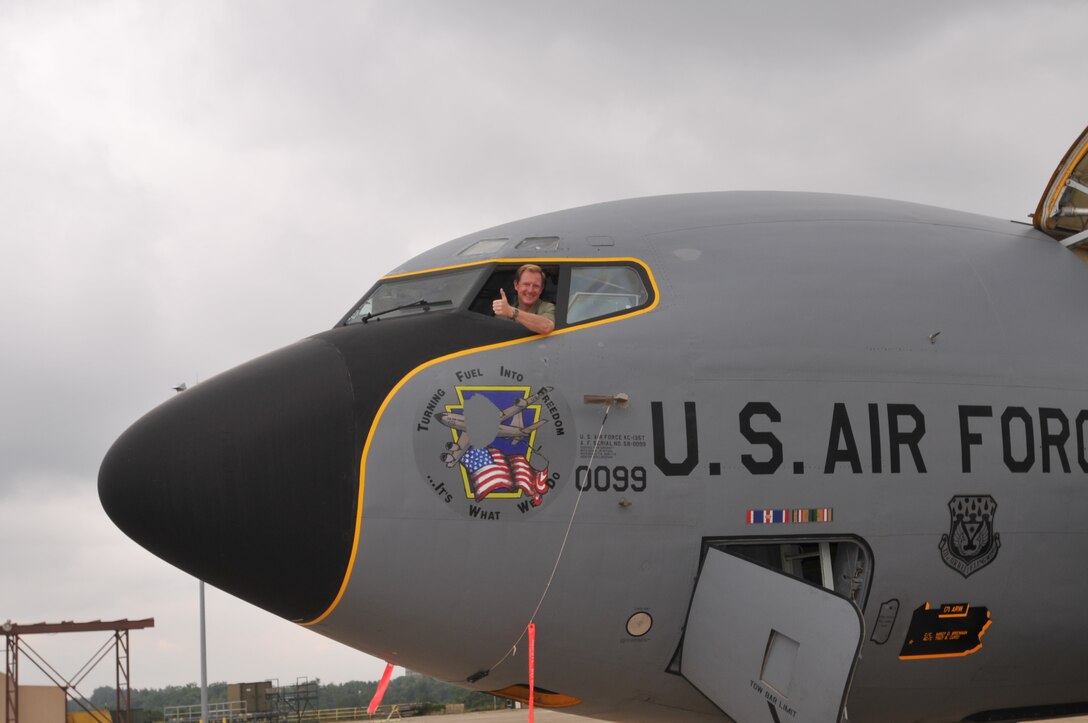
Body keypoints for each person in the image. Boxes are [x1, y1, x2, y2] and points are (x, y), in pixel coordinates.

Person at [492, 263, 555, 334]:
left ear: (541, 289)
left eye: (536, 286)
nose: (530, 290)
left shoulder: (548, 308)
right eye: (526, 284)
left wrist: (512, 312)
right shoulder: (503, 313)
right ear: (516, 285)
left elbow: (546, 327)